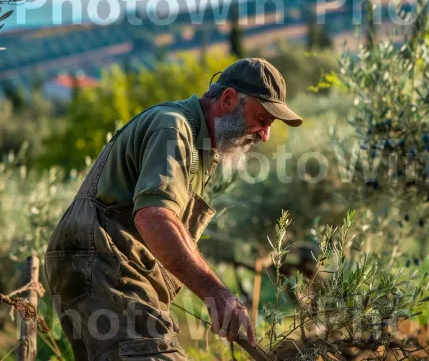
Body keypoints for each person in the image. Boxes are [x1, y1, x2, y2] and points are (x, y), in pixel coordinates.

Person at [44, 58, 303, 360]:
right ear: (229, 99)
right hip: (102, 268)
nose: (264, 134)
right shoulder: (173, 126)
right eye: (262, 118)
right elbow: (155, 217)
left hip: (104, 269)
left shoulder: (200, 144)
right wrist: (216, 293)